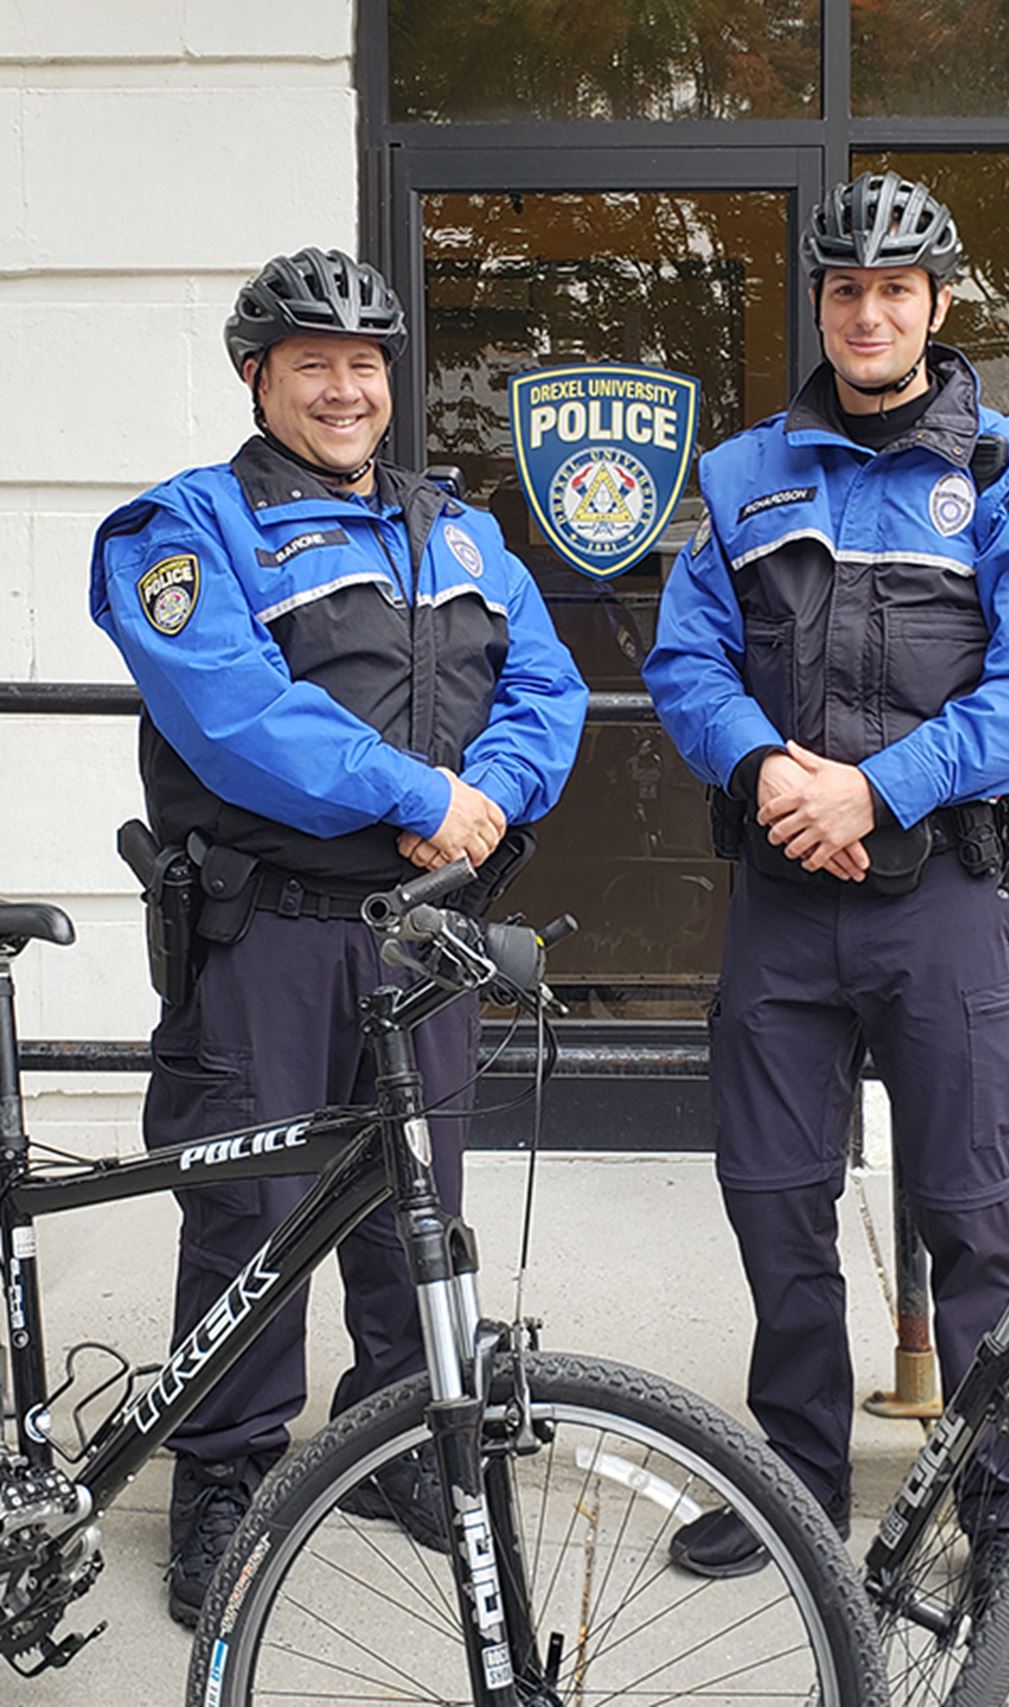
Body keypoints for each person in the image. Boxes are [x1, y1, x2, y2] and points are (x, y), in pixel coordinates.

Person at [89, 247, 588, 1625]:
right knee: (246, 1209)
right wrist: (423, 795)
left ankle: (392, 1445)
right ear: (258, 376)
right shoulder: (188, 527)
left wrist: (490, 800)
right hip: (272, 936)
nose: (344, 386)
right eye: (311, 361)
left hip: (428, 938)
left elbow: (547, 683)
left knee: (414, 1199)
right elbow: (234, 715)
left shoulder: (464, 530)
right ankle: (224, 1478)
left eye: (365, 362)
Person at [643, 172, 1009, 1651]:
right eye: (845, 289)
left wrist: (878, 790)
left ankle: (995, 1525)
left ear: (938, 306)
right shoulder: (743, 474)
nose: (869, 311)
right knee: (777, 1204)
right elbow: (686, 660)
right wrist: (770, 769)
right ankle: (793, 1486)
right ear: (822, 304)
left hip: (948, 907)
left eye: (895, 290)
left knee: (970, 1226)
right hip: (784, 907)